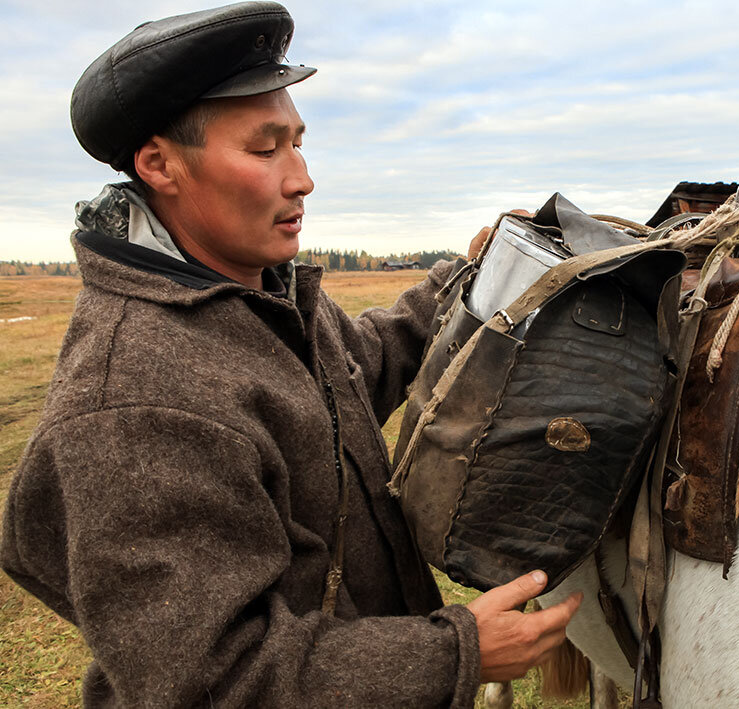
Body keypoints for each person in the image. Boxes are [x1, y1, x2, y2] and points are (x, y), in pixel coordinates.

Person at [0, 2, 581, 706]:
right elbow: (213, 679)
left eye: (298, 144)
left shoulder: (251, 298)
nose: (301, 178)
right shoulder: (134, 399)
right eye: (264, 148)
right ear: (159, 164)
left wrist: (466, 283)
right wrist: (456, 651)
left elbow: (355, 369)